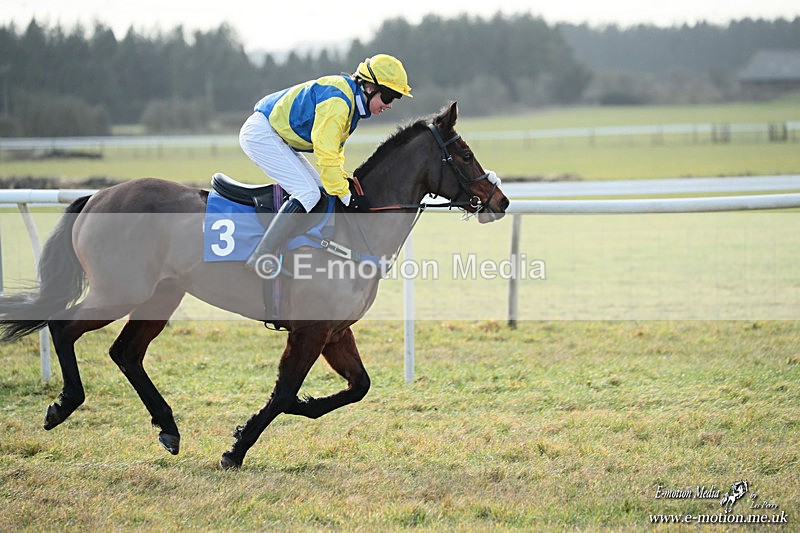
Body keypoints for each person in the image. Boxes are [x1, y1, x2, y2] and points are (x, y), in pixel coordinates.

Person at [239, 53, 413, 276]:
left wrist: (342, 184)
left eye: (395, 99)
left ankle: (300, 250)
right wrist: (346, 195)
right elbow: (326, 153)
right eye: (388, 96)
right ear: (369, 87)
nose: (389, 105)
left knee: (321, 192)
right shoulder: (339, 102)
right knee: (308, 193)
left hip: (277, 136)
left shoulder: (351, 104)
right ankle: (262, 255)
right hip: (262, 134)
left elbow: (335, 154)